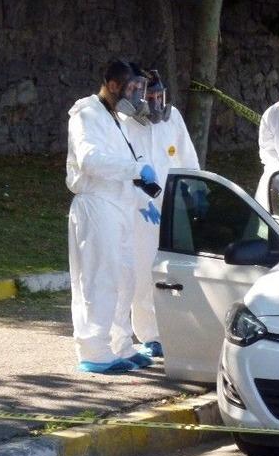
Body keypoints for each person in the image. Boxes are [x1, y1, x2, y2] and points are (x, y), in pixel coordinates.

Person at [66, 59, 158, 373]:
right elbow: (90, 160)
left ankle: (120, 344)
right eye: (132, 87)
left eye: (140, 88)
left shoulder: (114, 118)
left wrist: (142, 192)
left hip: (118, 206)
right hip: (96, 206)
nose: (137, 95)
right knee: (99, 279)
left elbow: (125, 161)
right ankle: (94, 350)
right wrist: (134, 170)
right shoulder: (87, 113)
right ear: (114, 85)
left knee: (125, 277)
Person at [120, 69, 199, 359]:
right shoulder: (125, 122)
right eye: (149, 96)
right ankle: (150, 334)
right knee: (143, 269)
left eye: (158, 96)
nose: (155, 102)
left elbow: (187, 157)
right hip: (140, 208)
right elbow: (123, 166)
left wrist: (196, 191)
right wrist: (140, 198)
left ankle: (181, 328)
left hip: (173, 203)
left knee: (178, 270)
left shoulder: (172, 117)